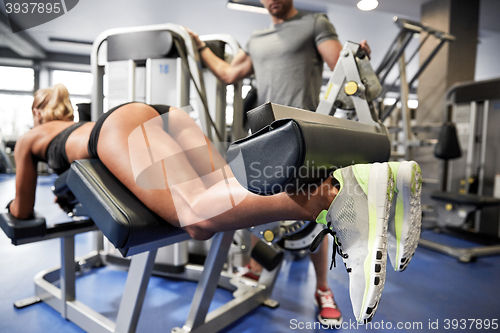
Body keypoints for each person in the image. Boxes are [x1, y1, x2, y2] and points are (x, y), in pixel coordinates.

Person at [8, 79, 420, 324]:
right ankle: (383, 181)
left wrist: (14, 213)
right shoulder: (75, 123)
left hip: (119, 126)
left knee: (195, 215)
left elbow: (21, 209)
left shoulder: (31, 136)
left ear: (37, 111)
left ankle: (335, 193)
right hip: (167, 115)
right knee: (228, 194)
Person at [186, 0, 371, 326]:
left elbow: (339, 64)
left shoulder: (316, 23)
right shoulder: (256, 39)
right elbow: (229, 74)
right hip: (264, 133)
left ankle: (323, 289)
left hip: (304, 132)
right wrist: (199, 46)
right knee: (259, 201)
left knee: (315, 211)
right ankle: (256, 270)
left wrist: (357, 62)